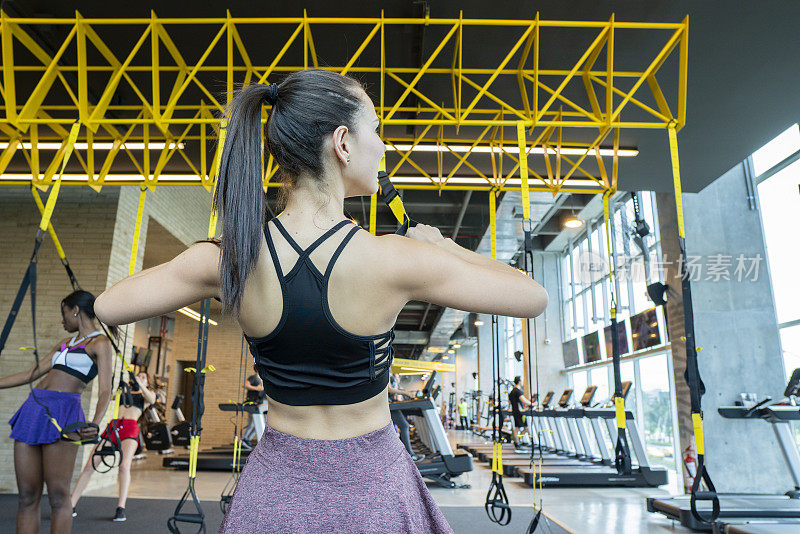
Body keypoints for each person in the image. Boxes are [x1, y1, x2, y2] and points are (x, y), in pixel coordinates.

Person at [93, 68, 548, 533]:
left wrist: (211, 256)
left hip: (275, 493)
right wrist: (443, 247)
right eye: (376, 130)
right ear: (343, 143)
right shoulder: (396, 259)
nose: (383, 146)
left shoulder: (230, 258)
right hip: (374, 490)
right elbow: (532, 297)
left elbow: (108, 307)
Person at [1, 290, 114, 534]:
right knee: (27, 496)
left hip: (64, 415)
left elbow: (106, 390)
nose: (62, 321)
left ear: (76, 310)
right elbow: (30, 374)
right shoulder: (62, 344)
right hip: (33, 410)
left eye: (64, 313)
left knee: (58, 496)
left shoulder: (100, 343)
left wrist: (95, 423)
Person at [70, 371, 156, 522]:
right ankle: (71, 505)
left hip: (130, 428)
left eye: (143, 377)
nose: (139, 378)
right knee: (90, 465)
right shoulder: (123, 391)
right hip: (114, 427)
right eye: (138, 375)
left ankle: (120, 508)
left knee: (124, 466)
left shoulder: (146, 396)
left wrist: (141, 384)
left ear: (147, 382)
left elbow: (152, 399)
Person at [388, 373, 423, 461]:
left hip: (392, 403)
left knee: (405, 425)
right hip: (389, 405)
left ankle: (405, 454)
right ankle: (410, 455)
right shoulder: (385, 371)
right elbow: (389, 389)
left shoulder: (389, 372)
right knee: (404, 426)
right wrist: (405, 392)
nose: (393, 358)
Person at [508, 376, 533, 448]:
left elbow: (509, 402)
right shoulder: (518, 391)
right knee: (520, 428)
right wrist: (532, 404)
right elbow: (523, 400)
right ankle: (517, 442)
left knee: (522, 428)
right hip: (519, 412)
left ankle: (518, 441)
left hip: (515, 411)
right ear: (519, 382)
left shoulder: (512, 391)